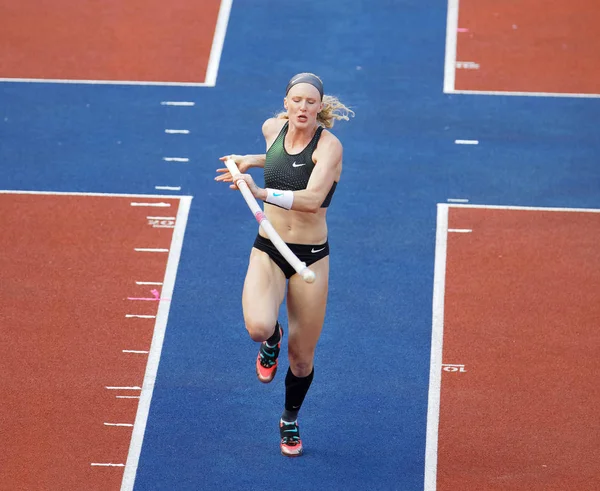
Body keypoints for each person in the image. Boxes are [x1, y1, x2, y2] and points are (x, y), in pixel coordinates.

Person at [215, 73, 353, 457]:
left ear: (320, 107)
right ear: (286, 103)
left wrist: (260, 191)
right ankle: (272, 337)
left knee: (302, 357)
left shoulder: (330, 147)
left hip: (310, 256)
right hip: (270, 247)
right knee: (258, 327)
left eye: (311, 102)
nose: (303, 107)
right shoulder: (271, 128)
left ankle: (289, 418)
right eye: (297, 100)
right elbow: (280, 159)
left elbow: (310, 198)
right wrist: (249, 160)